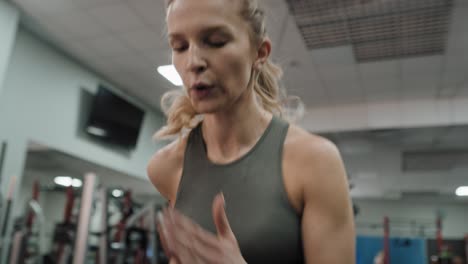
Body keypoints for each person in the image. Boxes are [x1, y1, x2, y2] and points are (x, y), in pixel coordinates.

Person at [147, 0, 355, 263]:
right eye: (180, 46)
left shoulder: (315, 162)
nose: (193, 62)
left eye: (216, 41)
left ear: (260, 53)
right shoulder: (166, 168)